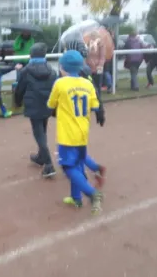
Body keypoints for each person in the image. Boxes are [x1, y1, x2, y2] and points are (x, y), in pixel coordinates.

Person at [47, 50, 103, 214]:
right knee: (78, 164)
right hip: (83, 131)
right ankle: (76, 198)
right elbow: (95, 106)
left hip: (67, 135)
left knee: (67, 166)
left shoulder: (60, 83)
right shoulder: (88, 83)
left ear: (62, 67)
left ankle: (92, 194)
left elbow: (51, 104)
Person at [13, 42, 57, 179]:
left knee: (39, 135)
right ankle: (40, 157)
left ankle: (48, 164)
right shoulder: (51, 69)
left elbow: (20, 89)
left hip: (34, 105)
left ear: (31, 55)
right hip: (47, 105)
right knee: (42, 131)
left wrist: (18, 102)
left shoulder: (25, 71)